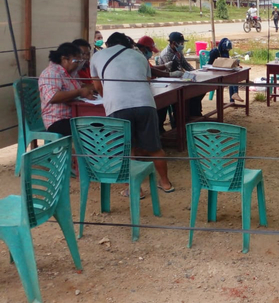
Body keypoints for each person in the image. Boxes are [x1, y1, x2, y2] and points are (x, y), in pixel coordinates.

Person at [91, 32, 174, 195]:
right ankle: (165, 183)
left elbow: (98, 86)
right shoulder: (139, 55)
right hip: (145, 103)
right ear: (127, 44)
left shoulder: (97, 56)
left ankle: (134, 188)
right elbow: (147, 80)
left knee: (125, 148)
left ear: (108, 44)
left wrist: (109, 99)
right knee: (155, 147)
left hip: (117, 106)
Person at [38, 43, 96, 136]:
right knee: (91, 131)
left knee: (99, 125)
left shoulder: (71, 73)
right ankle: (81, 150)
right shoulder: (51, 73)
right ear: (64, 59)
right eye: (76, 61)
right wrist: (79, 92)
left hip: (73, 116)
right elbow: (53, 97)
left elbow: (81, 86)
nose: (78, 65)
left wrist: (96, 86)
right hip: (57, 120)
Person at [158, 32, 204, 119]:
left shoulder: (178, 51)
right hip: (168, 81)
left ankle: (194, 113)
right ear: (173, 43)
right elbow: (172, 71)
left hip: (179, 77)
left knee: (199, 89)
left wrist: (195, 72)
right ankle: (180, 119)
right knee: (184, 95)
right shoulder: (167, 54)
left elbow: (185, 64)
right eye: (180, 43)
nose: (182, 45)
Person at [207, 38, 243, 103]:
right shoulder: (214, 52)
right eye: (227, 49)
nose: (227, 51)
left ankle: (233, 97)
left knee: (233, 75)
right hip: (215, 73)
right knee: (231, 78)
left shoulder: (225, 52)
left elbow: (226, 62)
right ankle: (234, 94)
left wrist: (235, 64)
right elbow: (209, 64)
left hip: (223, 71)